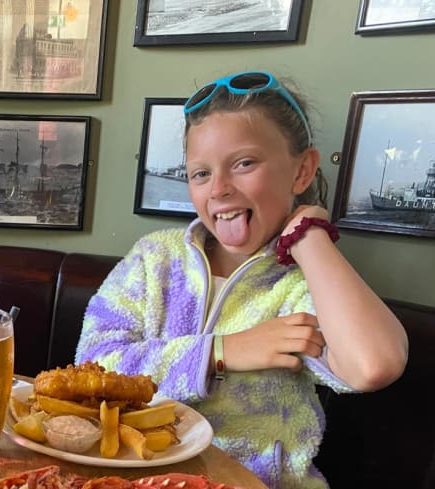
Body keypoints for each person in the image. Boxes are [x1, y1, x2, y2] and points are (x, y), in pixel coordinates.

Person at [75, 71, 408, 488]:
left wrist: (310, 237)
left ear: (302, 170)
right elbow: (93, 364)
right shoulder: (154, 258)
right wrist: (221, 351)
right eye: (200, 174)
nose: (218, 189)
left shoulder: (301, 284)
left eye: (244, 163)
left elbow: (373, 365)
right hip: (133, 479)